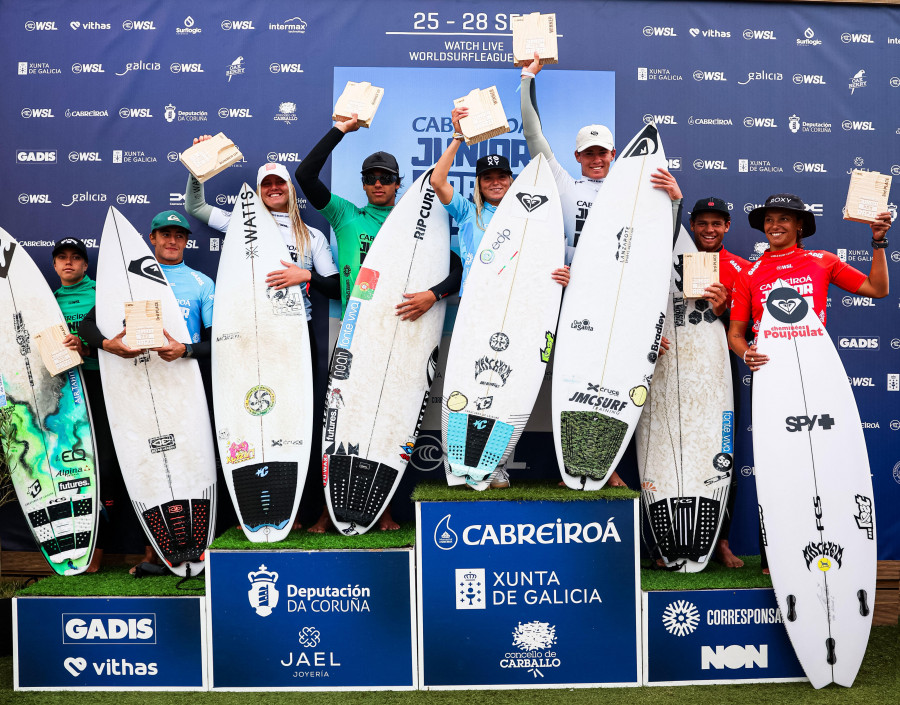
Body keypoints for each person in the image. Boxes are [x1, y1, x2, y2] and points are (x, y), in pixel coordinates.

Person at [520, 54, 682, 488]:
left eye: (602, 152)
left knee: (616, 376)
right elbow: (534, 135)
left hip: (621, 298)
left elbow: (657, 250)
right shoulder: (565, 185)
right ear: (577, 156)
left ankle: (605, 468)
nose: (596, 159)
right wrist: (526, 79)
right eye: (588, 153)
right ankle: (572, 469)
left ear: (614, 154)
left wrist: (676, 202)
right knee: (574, 378)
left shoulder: (636, 195)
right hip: (575, 295)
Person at [295, 113, 463, 529]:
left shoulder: (419, 223)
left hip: (405, 335)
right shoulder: (345, 216)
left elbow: (456, 267)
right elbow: (305, 174)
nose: (377, 185)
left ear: (397, 183)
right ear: (364, 183)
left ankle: (380, 510)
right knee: (339, 420)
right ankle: (324, 512)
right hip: (357, 335)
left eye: (386, 178)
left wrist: (433, 295)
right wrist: (341, 130)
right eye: (371, 178)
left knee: (392, 421)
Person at [727, 193, 890, 574]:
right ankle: (774, 556)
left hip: (817, 376)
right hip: (772, 381)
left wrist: (878, 242)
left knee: (822, 462)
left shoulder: (822, 261)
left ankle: (831, 547)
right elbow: (736, 333)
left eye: (785, 219)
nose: (775, 225)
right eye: (769, 219)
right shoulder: (749, 273)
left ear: (800, 225)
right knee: (778, 465)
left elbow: (877, 289)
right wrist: (744, 353)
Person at [429, 107, 569, 489]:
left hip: (521, 314)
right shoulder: (466, 212)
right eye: (487, 177)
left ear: (512, 181)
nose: (495, 182)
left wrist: (562, 276)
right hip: (477, 311)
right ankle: (459, 460)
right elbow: (438, 179)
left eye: (501, 176)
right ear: (478, 183)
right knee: (472, 384)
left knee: (510, 385)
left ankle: (498, 463)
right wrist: (457, 137)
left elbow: (548, 262)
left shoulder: (534, 220)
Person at [79, 211, 216, 569]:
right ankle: (152, 552)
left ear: (187, 241)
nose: (172, 240)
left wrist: (185, 350)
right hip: (135, 384)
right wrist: (108, 345)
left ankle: (200, 548)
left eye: (179, 235)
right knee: (146, 465)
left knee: (190, 463)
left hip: (184, 384)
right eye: (164, 234)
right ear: (151, 239)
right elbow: (88, 324)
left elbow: (220, 341)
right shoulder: (127, 282)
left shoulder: (202, 283)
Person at [53, 238, 137, 570]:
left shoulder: (103, 293)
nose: (69, 263)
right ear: (55, 265)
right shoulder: (48, 300)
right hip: (68, 391)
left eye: (76, 258)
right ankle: (83, 549)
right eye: (62, 258)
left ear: (86, 265)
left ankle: (100, 552)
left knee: (108, 467)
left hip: (106, 386)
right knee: (78, 470)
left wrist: (89, 349)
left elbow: (123, 341)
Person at [688, 197, 750, 568]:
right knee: (673, 447)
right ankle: (671, 544)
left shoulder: (741, 270)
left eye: (717, 223)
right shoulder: (670, 260)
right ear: (692, 226)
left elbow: (749, 330)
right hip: (675, 369)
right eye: (702, 223)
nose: (709, 230)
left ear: (727, 227)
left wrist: (724, 313)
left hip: (721, 368)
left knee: (722, 452)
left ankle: (721, 541)